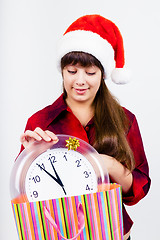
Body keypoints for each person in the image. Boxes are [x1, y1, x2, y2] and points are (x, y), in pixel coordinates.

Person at [19, 15, 151, 240]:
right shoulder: (41, 121)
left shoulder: (125, 120)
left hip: (112, 233)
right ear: (62, 71)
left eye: (90, 73)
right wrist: (31, 158)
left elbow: (138, 190)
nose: (80, 81)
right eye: (72, 71)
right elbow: (24, 192)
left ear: (103, 74)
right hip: (58, 232)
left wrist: (108, 164)